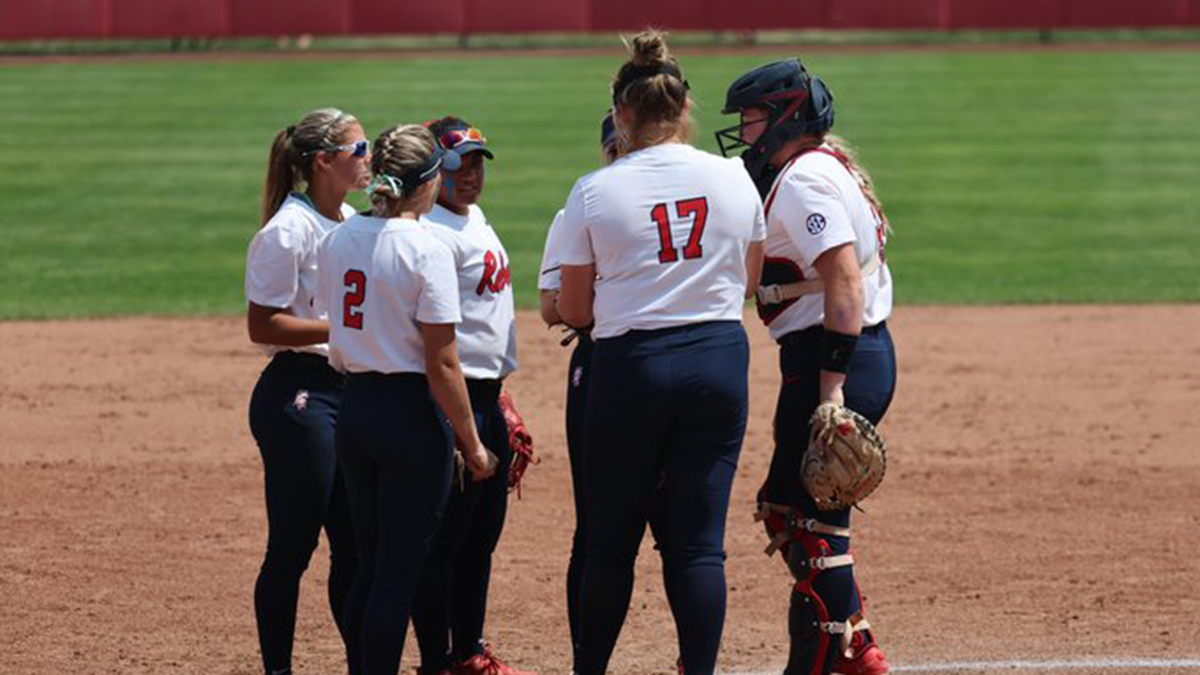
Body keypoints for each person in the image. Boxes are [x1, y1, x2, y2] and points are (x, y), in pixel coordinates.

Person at [555, 30, 766, 675]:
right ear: (685, 107)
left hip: (632, 370)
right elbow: (750, 283)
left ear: (621, 112)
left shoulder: (593, 191)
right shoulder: (734, 177)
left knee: (609, 545)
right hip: (718, 360)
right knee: (698, 547)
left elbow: (575, 311)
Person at [716, 58, 897, 675]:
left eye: (751, 117)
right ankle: (856, 641)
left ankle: (831, 660)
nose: (744, 130)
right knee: (788, 508)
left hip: (832, 357)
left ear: (786, 115)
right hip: (847, 351)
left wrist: (831, 392)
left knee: (808, 521)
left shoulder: (802, 182)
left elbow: (844, 284)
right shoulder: (824, 165)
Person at [315, 124, 498, 675]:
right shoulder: (427, 247)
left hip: (355, 408)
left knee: (370, 565)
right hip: (409, 418)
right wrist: (474, 446)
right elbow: (442, 364)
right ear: (428, 181)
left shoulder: (340, 237)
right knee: (398, 575)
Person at [245, 107, 370, 675]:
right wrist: (343, 328)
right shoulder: (286, 231)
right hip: (299, 395)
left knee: (356, 548)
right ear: (324, 161)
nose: (368, 159)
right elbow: (263, 326)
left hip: (348, 391)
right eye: (359, 150)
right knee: (293, 548)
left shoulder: (348, 218)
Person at [409, 116, 530, 675]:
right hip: (451, 397)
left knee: (479, 538)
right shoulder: (429, 231)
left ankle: (470, 649)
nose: (470, 174)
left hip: (486, 394)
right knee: (445, 540)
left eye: (478, 161)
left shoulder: (473, 218)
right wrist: (463, 419)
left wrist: (500, 401)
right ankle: (438, 658)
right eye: (457, 164)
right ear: (434, 168)